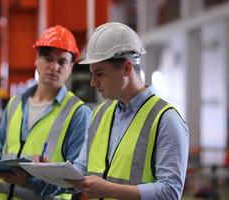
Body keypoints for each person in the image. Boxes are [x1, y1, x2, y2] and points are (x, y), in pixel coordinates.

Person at [0, 25, 91, 200]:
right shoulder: (15, 103)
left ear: (71, 67)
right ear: (36, 60)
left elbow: (76, 181)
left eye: (62, 62)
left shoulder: (78, 114)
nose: (54, 67)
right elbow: (2, 150)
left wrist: (29, 182)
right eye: (48, 58)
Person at [67, 22, 189, 200]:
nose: (93, 82)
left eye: (99, 73)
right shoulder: (100, 114)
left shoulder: (165, 119)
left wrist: (109, 190)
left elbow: (170, 192)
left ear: (126, 68)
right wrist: (52, 173)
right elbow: (82, 167)